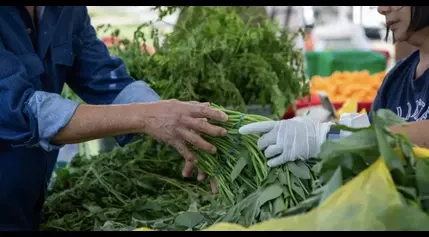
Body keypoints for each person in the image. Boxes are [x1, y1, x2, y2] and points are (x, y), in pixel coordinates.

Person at [0, 6, 227, 230]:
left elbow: (104, 78)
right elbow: (21, 111)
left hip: (26, 204)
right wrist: (147, 117)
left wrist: (180, 123)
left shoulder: (65, 10)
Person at [239, 6, 429, 168]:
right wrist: (327, 130)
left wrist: (328, 137)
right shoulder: (397, 78)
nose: (382, 9)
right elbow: (372, 137)